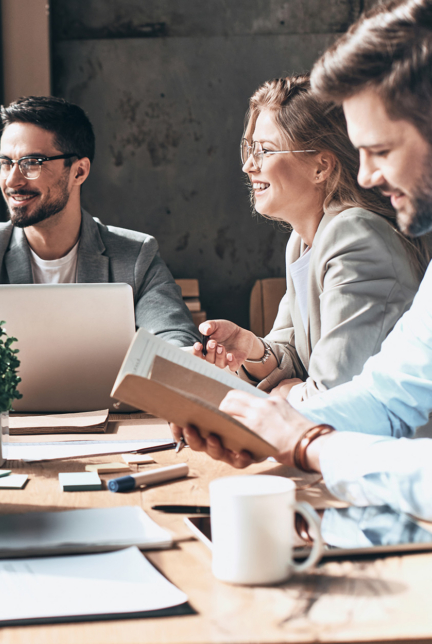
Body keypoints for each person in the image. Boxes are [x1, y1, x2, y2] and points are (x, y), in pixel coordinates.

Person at [172, 0, 432, 520]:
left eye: (380, 150)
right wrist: (256, 422)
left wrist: (305, 434)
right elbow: (388, 395)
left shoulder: (354, 233)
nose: (366, 176)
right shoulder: (306, 239)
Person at [0, 96, 198, 385]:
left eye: (31, 163)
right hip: (5, 428)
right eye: (5, 163)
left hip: (109, 427)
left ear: (79, 171)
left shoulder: (135, 256)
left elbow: (179, 344)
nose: (12, 180)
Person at [192, 75, 428, 403]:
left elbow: (334, 397)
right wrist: (252, 349)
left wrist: (288, 392)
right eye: (250, 149)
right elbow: (292, 352)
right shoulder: (303, 241)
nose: (249, 166)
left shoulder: (355, 237)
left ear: (321, 167)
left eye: (265, 151)